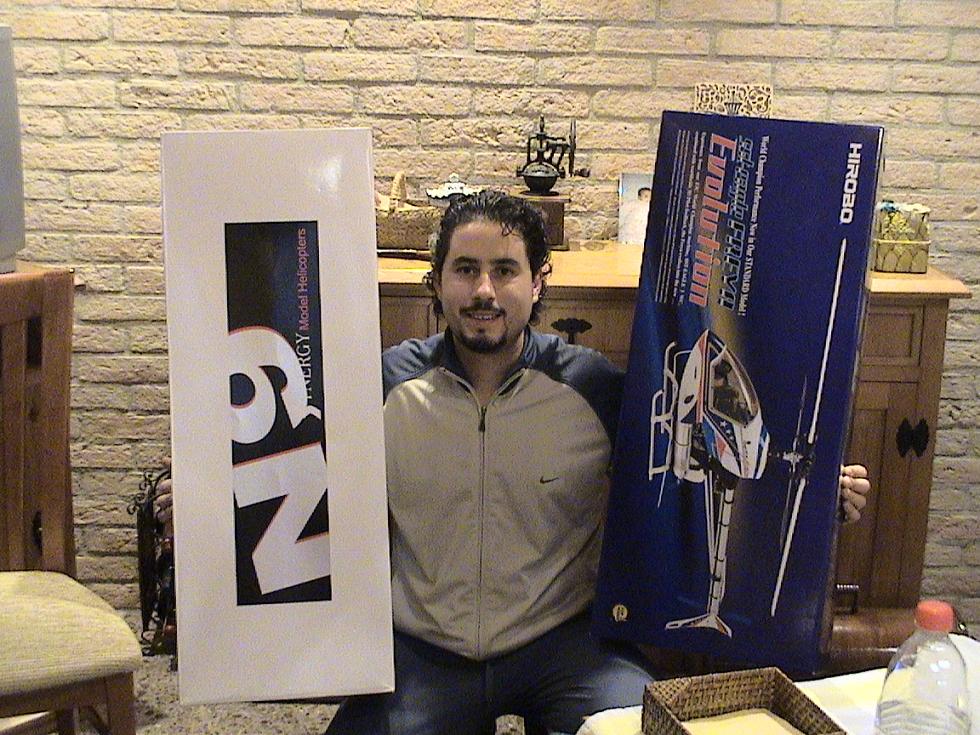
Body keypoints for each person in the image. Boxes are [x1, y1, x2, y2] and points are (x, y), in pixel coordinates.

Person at [155, 190, 870, 734]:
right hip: (424, 649)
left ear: (537, 281)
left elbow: (700, 464)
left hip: (567, 642)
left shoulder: (594, 387)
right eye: (465, 270)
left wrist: (812, 495)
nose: (484, 292)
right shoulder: (377, 387)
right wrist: (202, 503)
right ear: (437, 281)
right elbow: (286, 475)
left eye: (505, 270)